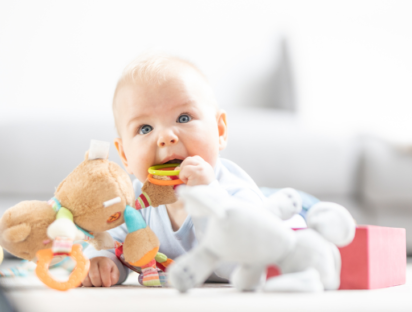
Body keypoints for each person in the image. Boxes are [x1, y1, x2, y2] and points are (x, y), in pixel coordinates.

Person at [81, 54, 302, 287]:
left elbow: (244, 263)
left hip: (282, 208)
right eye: (145, 128)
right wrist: (103, 263)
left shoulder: (236, 193)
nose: (166, 137)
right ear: (125, 155)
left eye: (184, 117)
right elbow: (111, 246)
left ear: (220, 131)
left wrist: (209, 196)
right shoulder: (134, 205)